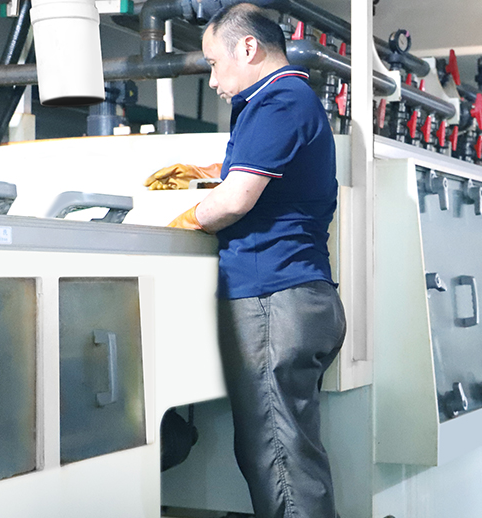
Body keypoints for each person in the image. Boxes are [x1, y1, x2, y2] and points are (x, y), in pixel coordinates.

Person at [162, 4, 345, 517]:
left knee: (280, 465)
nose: (213, 80)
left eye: (214, 63)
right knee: (287, 455)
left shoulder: (278, 99)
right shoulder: (285, 101)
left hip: (272, 299)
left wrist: (181, 222)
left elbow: (235, 200)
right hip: (296, 296)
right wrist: (211, 171)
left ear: (248, 48)